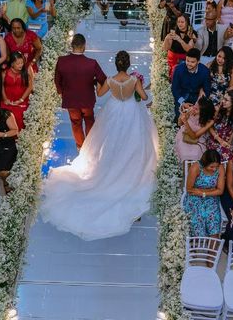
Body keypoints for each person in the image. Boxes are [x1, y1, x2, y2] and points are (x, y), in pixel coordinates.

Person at [41, 50, 158, 240]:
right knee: (133, 142)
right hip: (130, 112)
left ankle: (109, 166)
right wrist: (141, 87)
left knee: (109, 142)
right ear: (128, 65)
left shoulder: (111, 80)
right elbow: (144, 98)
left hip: (114, 111)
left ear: (116, 65)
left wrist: (101, 84)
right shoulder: (133, 80)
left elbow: (100, 93)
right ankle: (130, 168)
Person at [54, 34, 107, 149]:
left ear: (72, 45)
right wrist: (94, 83)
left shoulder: (62, 61)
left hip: (70, 99)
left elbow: (57, 81)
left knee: (75, 123)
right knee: (89, 121)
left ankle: (80, 147)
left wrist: (62, 92)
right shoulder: (92, 63)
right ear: (84, 46)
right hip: (87, 99)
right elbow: (103, 79)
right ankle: (90, 146)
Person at [183, 149, 226, 237]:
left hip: (211, 198)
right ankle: (197, 243)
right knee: (199, 217)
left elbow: (220, 190)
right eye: (211, 167)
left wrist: (202, 193)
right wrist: (212, 190)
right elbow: (189, 189)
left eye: (216, 166)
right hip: (195, 198)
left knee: (214, 219)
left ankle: (213, 247)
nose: (214, 169)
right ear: (204, 164)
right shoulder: (196, 168)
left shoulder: (220, 168)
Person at [171, 48, 211, 120]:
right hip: (181, 96)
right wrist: (182, 102)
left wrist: (197, 104)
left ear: (198, 61)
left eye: (192, 62)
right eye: (187, 61)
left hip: (197, 98)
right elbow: (174, 89)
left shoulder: (205, 71)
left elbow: (207, 90)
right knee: (179, 118)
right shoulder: (178, 69)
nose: (189, 64)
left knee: (195, 120)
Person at [1, 51, 34, 131]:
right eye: (18, 63)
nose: (21, 65)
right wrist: (5, 99)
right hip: (7, 101)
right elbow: (1, 86)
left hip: (22, 100)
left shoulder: (27, 70)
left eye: (22, 63)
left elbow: (30, 87)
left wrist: (21, 100)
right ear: (12, 64)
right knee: (5, 117)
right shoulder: (5, 72)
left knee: (20, 118)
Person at [206, 90, 233, 163]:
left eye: (226, 100)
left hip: (227, 141)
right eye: (223, 98)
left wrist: (228, 143)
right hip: (214, 139)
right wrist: (219, 139)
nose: (223, 101)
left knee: (229, 156)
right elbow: (209, 125)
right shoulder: (218, 109)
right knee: (217, 155)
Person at [175, 97, 216, 162]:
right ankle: (184, 169)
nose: (194, 108)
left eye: (197, 108)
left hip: (198, 141)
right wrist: (183, 115)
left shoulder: (208, 122)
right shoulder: (191, 110)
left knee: (196, 153)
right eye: (195, 105)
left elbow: (194, 136)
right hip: (184, 136)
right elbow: (179, 124)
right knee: (183, 151)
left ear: (203, 112)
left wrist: (185, 122)